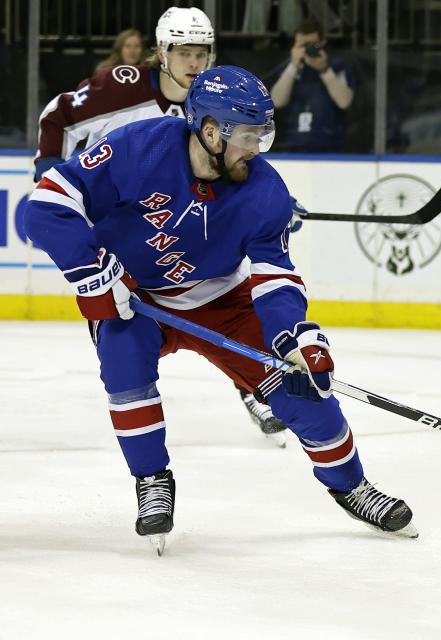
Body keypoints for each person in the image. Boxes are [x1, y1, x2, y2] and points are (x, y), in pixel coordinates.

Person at [24, 66, 417, 552]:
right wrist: (91, 269)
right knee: (126, 379)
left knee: (304, 396)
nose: (257, 149)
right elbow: (43, 206)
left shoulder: (265, 191)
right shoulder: (137, 147)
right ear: (210, 131)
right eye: (249, 136)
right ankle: (152, 480)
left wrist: (294, 335)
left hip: (221, 301)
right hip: (136, 299)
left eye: (262, 135)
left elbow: (274, 275)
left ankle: (351, 485)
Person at [33, 6, 289, 443]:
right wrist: (50, 174)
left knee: (223, 286)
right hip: (127, 236)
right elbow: (57, 115)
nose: (194, 63)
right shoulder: (119, 88)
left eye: (201, 52)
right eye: (183, 52)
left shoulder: (216, 101)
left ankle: (247, 380)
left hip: (187, 233)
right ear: (161, 52)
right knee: (125, 349)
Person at [270, 19, 355, 153]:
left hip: (331, 144)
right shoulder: (291, 68)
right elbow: (277, 101)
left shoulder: (338, 66)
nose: (307, 49)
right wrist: (293, 66)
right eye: (302, 45)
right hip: (296, 143)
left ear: (322, 42)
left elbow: (344, 102)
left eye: (311, 45)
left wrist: (324, 70)